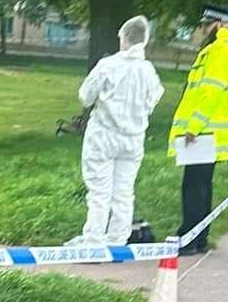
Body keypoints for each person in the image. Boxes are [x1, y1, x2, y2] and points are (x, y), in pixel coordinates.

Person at [67, 15, 165, 247]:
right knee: (123, 191)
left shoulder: (108, 65)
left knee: (99, 192)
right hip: (133, 139)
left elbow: (85, 95)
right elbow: (155, 98)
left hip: (103, 135)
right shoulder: (148, 70)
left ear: (123, 38)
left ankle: (93, 242)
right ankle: (117, 241)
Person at [169, 4, 228, 254]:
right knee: (202, 184)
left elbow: (210, 92)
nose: (202, 29)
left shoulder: (219, 51)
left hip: (205, 132)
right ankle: (200, 238)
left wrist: (193, 127)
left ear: (219, 24)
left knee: (193, 185)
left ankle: (188, 238)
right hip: (212, 131)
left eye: (206, 24)